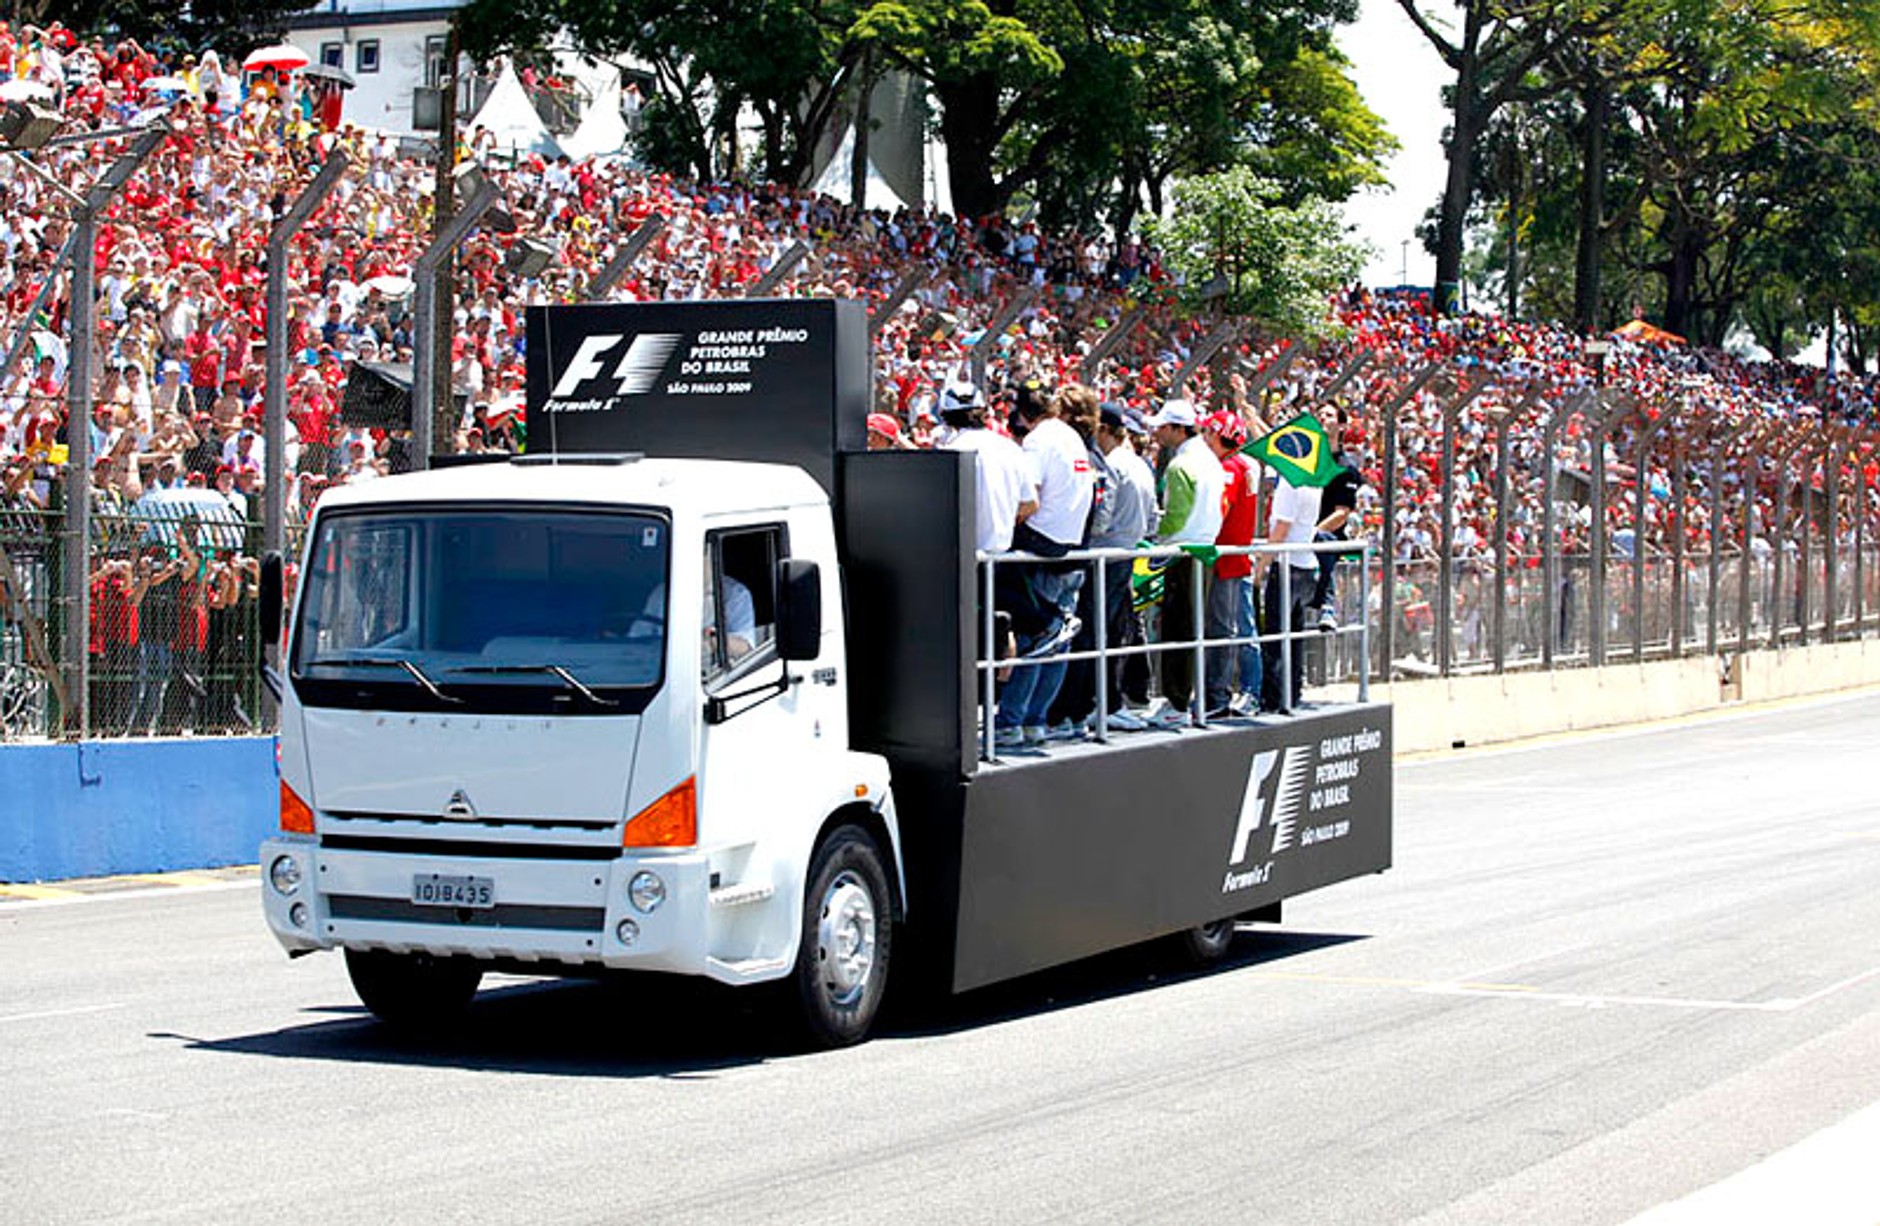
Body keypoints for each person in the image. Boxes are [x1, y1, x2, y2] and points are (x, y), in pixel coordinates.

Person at [1146, 398, 1223, 728]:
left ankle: (1177, 702)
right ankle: (1184, 700)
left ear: (1178, 429)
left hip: (1181, 553)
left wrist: (1153, 535)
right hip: (1205, 549)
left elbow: (1175, 518)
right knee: (1192, 630)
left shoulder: (1181, 466)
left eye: (1163, 427)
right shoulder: (1211, 461)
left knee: (1177, 630)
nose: (1158, 433)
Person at [1201, 410, 1261, 718]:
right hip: (1234, 557)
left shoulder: (1229, 470)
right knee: (1231, 627)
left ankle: (1217, 696)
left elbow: (1217, 511)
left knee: (1221, 629)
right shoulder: (1245, 465)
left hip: (1225, 559)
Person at [1258, 470, 1324, 714]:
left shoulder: (1290, 483)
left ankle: (1274, 700)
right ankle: (1293, 693)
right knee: (1295, 636)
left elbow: (1281, 530)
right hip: (1306, 564)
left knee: (1276, 637)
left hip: (1288, 565)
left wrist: (1260, 567)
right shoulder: (1313, 481)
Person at [1309, 447, 1361, 631]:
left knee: (1323, 539)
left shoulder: (1346, 468)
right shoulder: (1308, 457)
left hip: (1323, 544)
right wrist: (1252, 420)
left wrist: (1310, 534)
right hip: (1296, 540)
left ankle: (1327, 607)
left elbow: (1341, 514)